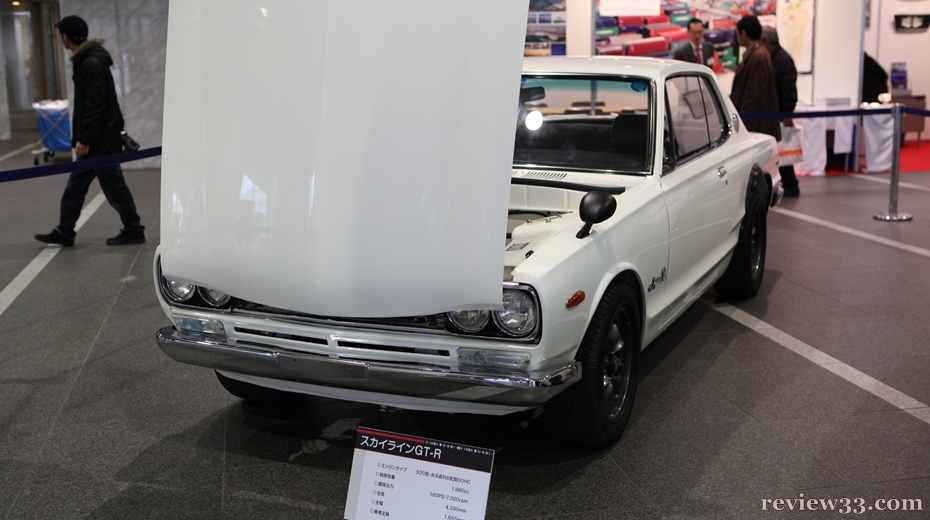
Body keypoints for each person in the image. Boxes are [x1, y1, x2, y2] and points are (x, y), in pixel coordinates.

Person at [35, 15, 145, 247]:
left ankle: (134, 229)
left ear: (66, 36)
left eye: (61, 35)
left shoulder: (91, 63)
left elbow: (96, 105)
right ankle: (65, 230)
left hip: (99, 141)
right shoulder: (87, 60)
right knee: (76, 187)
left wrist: (85, 138)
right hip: (98, 139)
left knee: (114, 188)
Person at [761, 26, 800, 197]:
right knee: (779, 151)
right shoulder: (775, 57)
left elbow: (789, 89)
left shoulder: (783, 60)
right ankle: (788, 183)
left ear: (769, 41)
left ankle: (791, 183)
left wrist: (786, 113)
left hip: (779, 114)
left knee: (782, 152)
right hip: (775, 113)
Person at [730, 15, 781, 142]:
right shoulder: (757, 54)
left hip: (757, 128)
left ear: (744, 33)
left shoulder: (758, 57)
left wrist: (744, 129)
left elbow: (754, 96)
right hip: (755, 126)